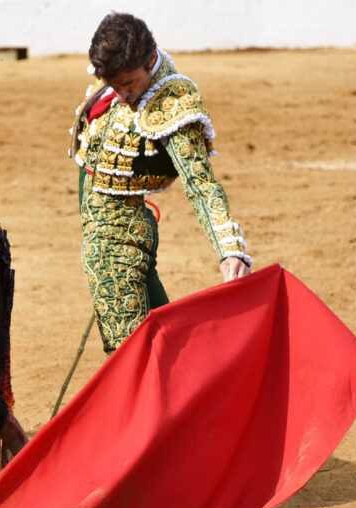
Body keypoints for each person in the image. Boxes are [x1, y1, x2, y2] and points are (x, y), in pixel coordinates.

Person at [69, 12, 253, 354]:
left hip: (120, 239)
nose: (123, 95)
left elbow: (200, 183)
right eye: (115, 86)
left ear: (150, 59)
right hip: (103, 234)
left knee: (130, 354)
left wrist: (229, 248)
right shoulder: (121, 71)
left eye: (129, 84)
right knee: (161, 343)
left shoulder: (173, 104)